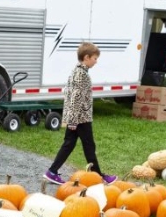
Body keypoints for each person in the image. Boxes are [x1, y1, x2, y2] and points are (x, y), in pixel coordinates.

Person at [43, 42, 117, 185]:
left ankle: (52, 171)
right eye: (95, 58)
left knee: (69, 144)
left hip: (76, 117)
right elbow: (76, 98)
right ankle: (99, 177)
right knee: (89, 146)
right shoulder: (82, 75)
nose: (96, 61)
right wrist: (73, 120)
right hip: (81, 118)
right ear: (87, 57)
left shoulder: (76, 71)